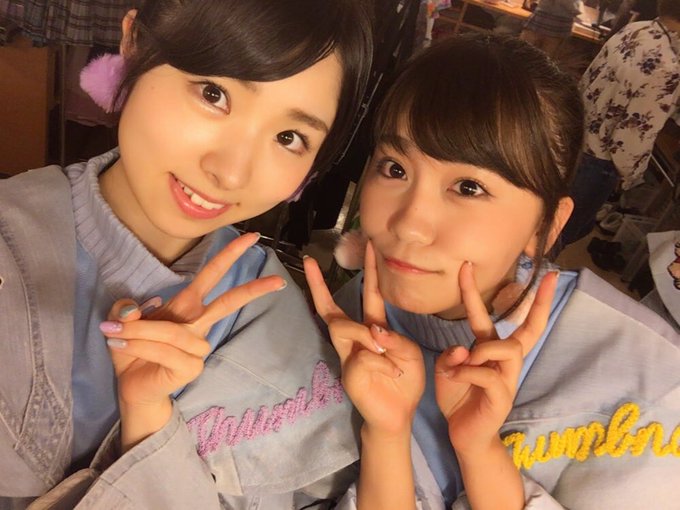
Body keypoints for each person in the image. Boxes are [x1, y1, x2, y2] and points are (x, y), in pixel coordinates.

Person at [0, 1, 372, 508]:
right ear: (134, 44)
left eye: (289, 137)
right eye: (213, 94)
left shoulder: (270, 316)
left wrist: (147, 419)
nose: (231, 172)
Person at [303, 34, 680, 509]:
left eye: (468, 187)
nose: (409, 225)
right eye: (395, 169)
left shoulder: (650, 380)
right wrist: (386, 436)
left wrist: (482, 455)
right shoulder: (355, 317)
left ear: (546, 225)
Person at [561, 0, 680, 245]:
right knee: (562, 234)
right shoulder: (666, 66)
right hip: (598, 160)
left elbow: (589, 79)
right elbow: (633, 136)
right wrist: (632, 177)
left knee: (550, 223)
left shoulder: (637, 29)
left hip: (575, 136)